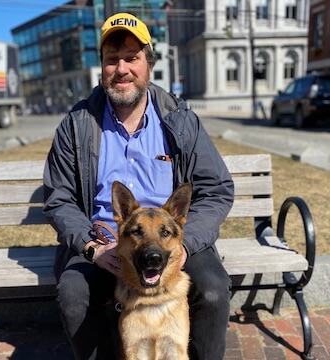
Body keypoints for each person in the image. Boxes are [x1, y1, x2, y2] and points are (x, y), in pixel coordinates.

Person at [43, 12, 234, 360]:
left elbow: (217, 189)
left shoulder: (181, 120)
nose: (122, 69)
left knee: (214, 290)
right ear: (101, 66)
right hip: (102, 245)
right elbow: (58, 199)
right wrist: (90, 248)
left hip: (171, 240)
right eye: (112, 60)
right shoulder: (77, 125)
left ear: (148, 64)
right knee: (73, 294)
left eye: (132, 58)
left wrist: (185, 243)